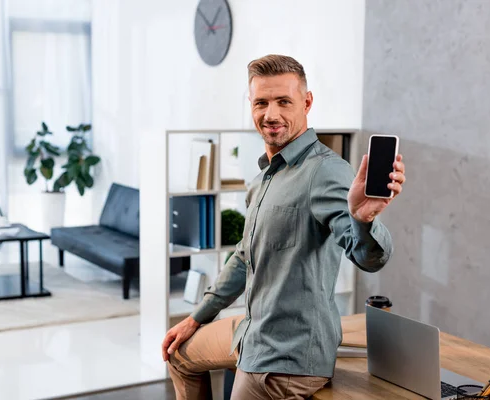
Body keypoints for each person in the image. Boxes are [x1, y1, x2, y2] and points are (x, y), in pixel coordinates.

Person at [161, 54, 406, 399]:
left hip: (286, 358)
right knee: (179, 355)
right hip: (252, 330)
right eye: (261, 102)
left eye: (283, 102)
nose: (270, 114)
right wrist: (196, 317)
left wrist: (362, 220)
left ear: (306, 103)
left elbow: (369, 258)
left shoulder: (326, 171)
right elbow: (244, 257)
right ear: (251, 104)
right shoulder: (263, 178)